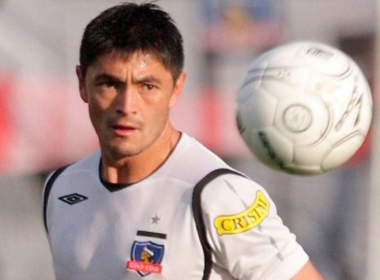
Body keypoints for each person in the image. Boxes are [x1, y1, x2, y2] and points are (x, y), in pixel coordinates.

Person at [42, 2, 325, 280]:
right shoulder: (61, 187)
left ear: (176, 88)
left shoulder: (218, 195)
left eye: (147, 86)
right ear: (82, 83)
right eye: (110, 84)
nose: (127, 105)